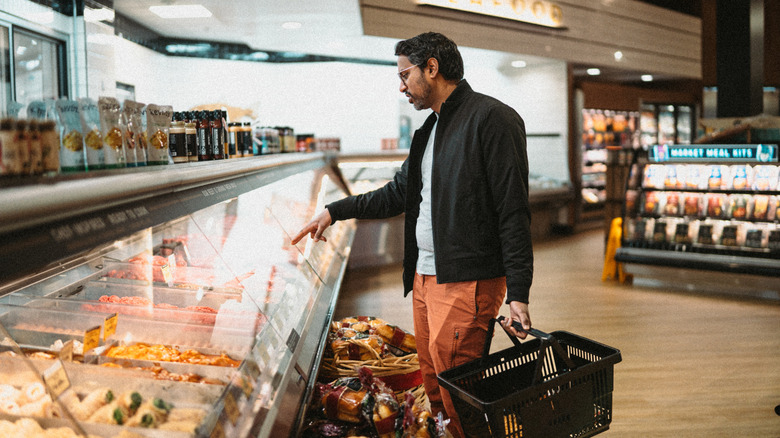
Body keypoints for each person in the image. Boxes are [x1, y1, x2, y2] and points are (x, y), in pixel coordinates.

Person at [292, 32, 533, 438]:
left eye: (405, 74)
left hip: (466, 282)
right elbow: (397, 194)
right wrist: (335, 211)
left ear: (432, 67)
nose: (401, 85)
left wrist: (520, 293)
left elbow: (513, 211)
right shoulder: (429, 131)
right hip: (424, 278)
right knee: (436, 389)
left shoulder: (493, 119)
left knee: (461, 397)